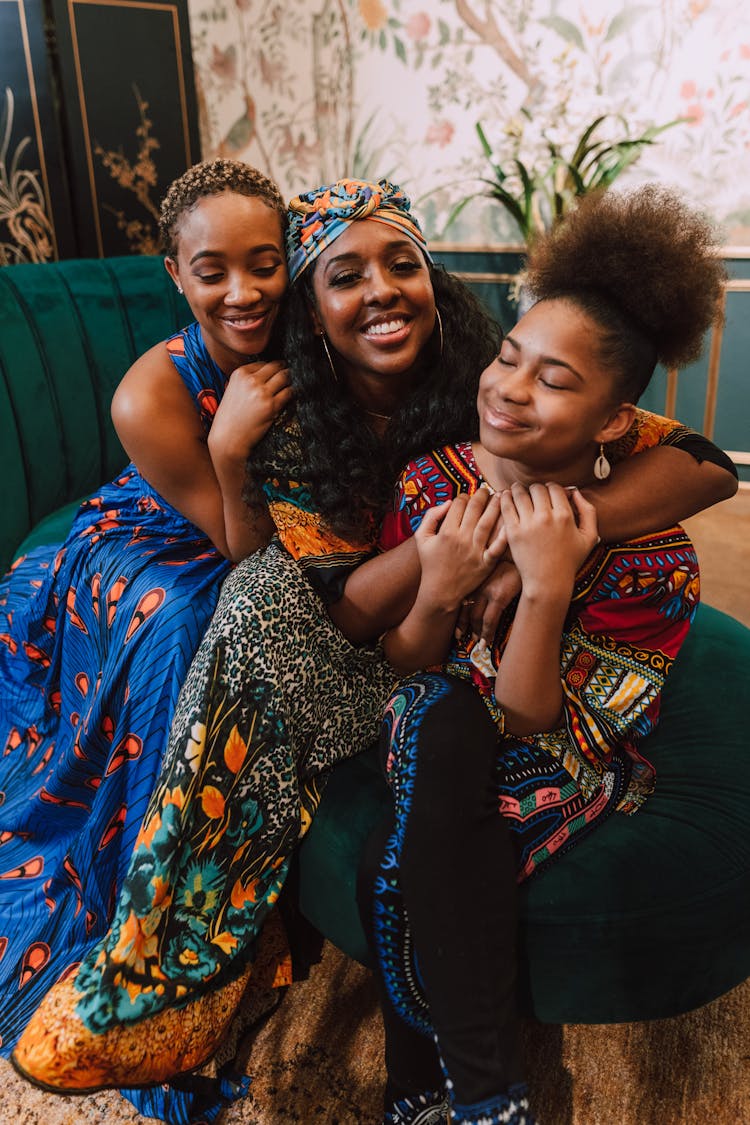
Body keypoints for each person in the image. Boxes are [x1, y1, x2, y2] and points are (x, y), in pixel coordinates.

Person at [11, 179, 736, 1122]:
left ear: (435, 279)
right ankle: (177, 962)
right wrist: (439, 561)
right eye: (344, 275)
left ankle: (454, 1085)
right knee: (252, 602)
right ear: (311, 308)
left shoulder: (491, 378)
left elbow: (707, 465)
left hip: (478, 662)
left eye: (404, 263)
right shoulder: (291, 415)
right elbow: (337, 607)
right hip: (370, 618)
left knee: (412, 729)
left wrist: (548, 533)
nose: (384, 290)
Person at [355, 184, 726, 1125]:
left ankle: (432, 1091)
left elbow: (529, 717)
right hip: (431, 723)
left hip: (554, 750)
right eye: (510, 357)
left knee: (400, 843)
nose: (510, 388)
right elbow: (407, 661)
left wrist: (549, 583)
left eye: (555, 381)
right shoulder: (432, 481)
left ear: (615, 422)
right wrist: (437, 585)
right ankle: (479, 1096)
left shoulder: (654, 562)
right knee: (432, 726)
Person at [0, 159, 292, 1099]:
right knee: (192, 627)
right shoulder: (148, 395)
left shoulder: (319, 325)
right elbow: (243, 547)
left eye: (265, 263)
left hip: (264, 524)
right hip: (163, 532)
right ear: (176, 273)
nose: (242, 292)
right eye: (212, 270)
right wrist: (234, 440)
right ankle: (168, 932)